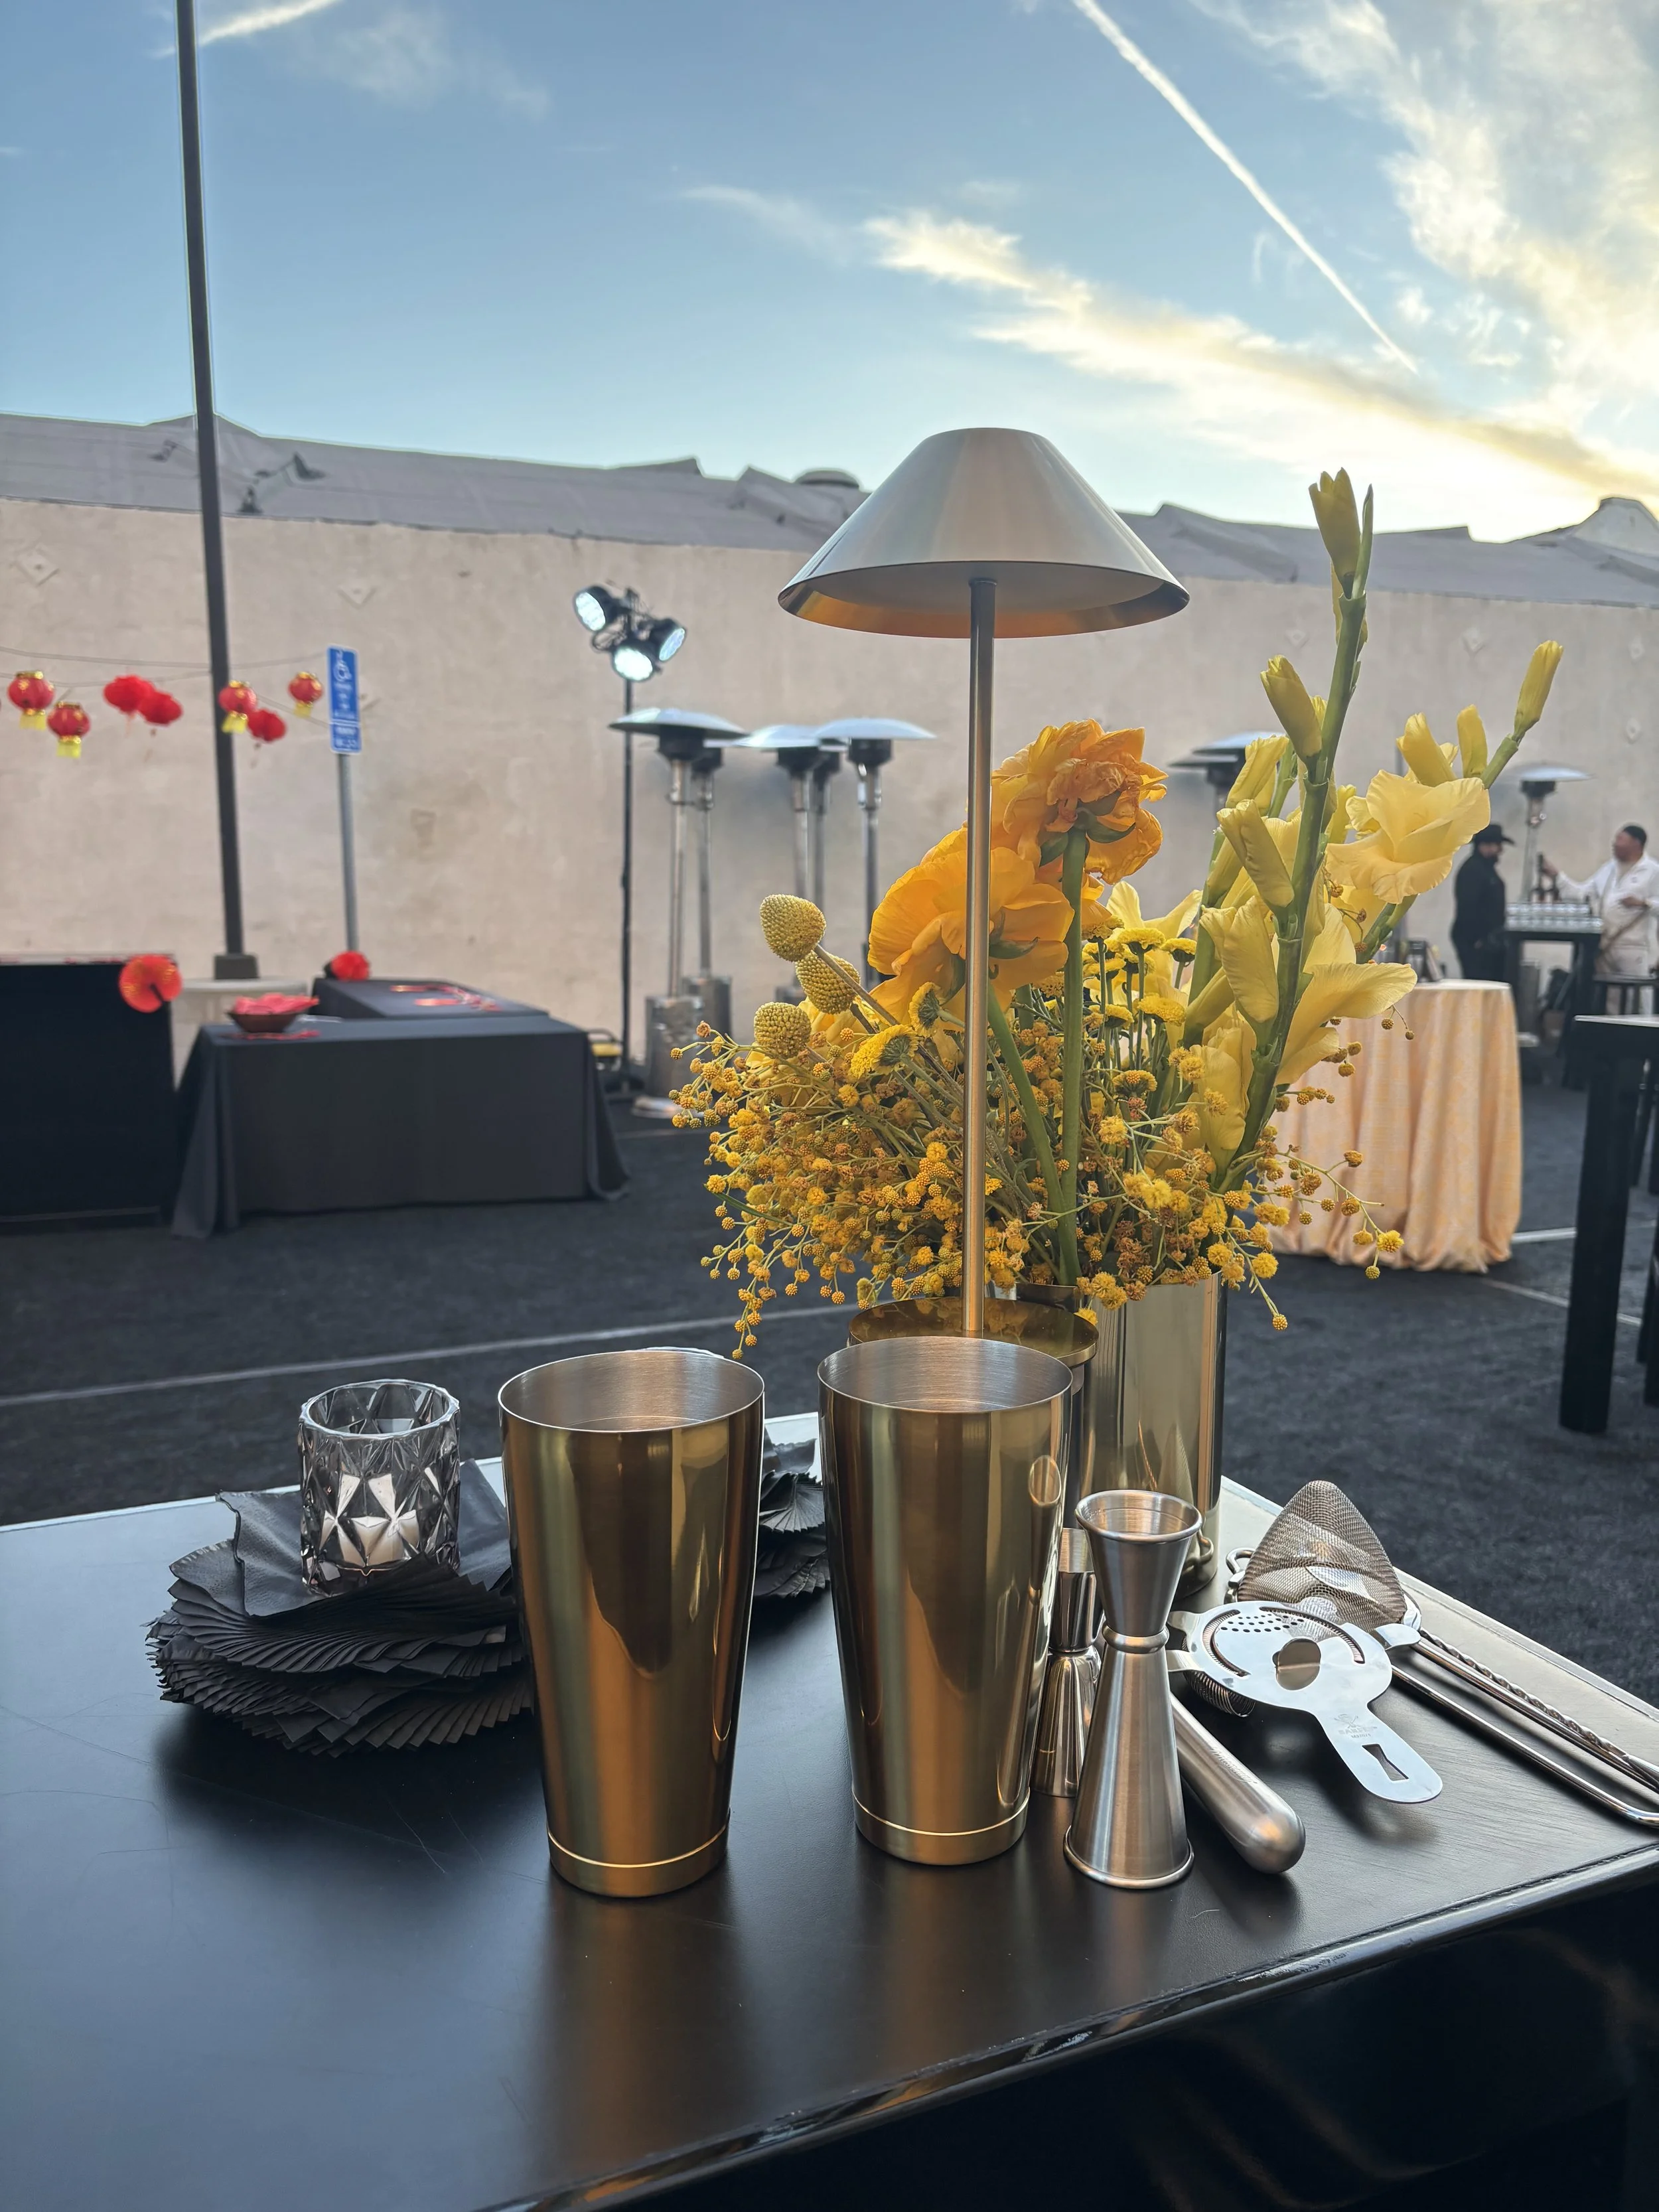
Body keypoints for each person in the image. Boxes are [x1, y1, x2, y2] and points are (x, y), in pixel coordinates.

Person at [1541, 824, 1659, 1009]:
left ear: (1636, 844)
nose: (1614, 844)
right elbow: (1583, 894)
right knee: (1610, 997)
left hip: (1633, 946)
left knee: (1637, 997)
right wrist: (1558, 878)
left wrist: (1644, 903)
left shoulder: (1652, 871)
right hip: (1606, 942)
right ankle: (1612, 1035)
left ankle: (1643, 1035)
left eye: (1620, 840)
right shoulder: (1609, 868)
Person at [1451, 826, 1512, 980]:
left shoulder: (1485, 869)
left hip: (1487, 940)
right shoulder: (1473, 871)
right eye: (1497, 846)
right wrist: (1478, 940)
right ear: (1485, 846)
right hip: (1476, 942)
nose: (1500, 851)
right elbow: (1468, 908)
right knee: (1479, 982)